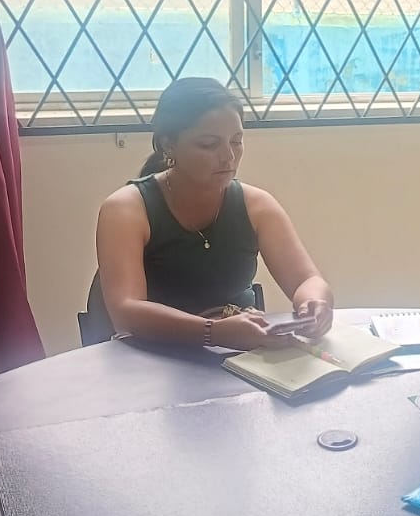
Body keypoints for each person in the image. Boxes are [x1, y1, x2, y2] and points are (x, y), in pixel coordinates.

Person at [95, 77, 333, 350]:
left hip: (238, 354)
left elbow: (307, 280)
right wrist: (213, 332)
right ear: (168, 144)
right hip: (153, 358)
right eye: (209, 144)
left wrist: (315, 303)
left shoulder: (257, 205)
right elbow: (126, 310)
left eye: (236, 141)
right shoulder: (125, 209)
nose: (228, 156)